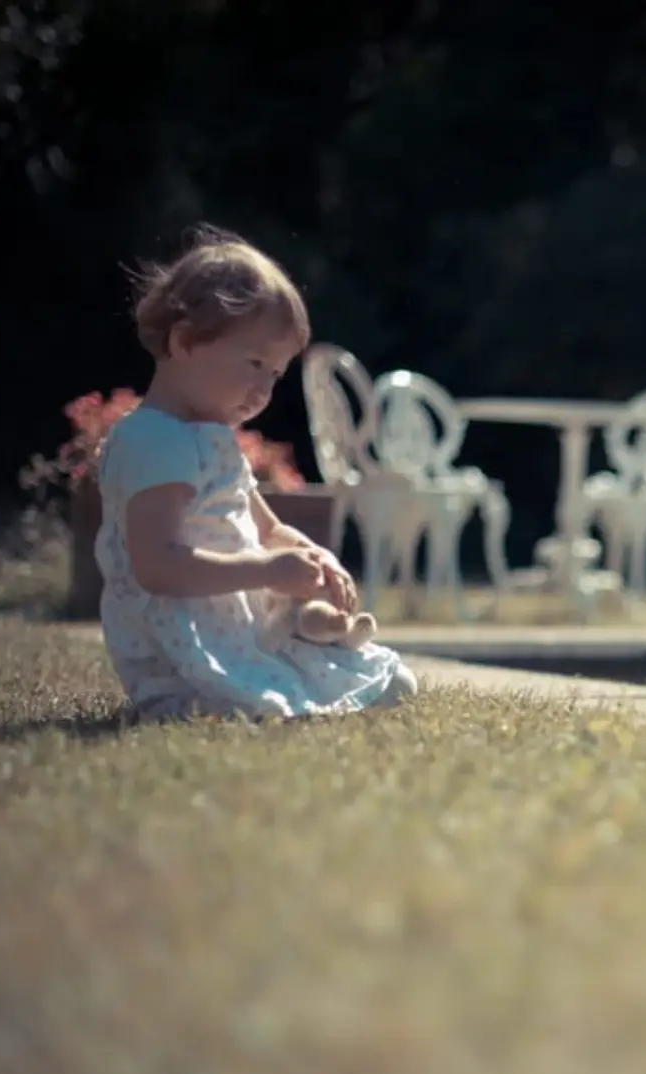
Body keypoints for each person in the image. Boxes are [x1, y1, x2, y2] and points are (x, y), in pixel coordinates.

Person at [93, 224, 419, 722]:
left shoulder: (212, 440)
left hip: (239, 630)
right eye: (254, 363)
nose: (264, 389)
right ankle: (179, 701)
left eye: (275, 374)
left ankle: (271, 677)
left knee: (393, 682)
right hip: (183, 647)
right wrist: (266, 571)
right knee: (265, 708)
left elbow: (267, 529)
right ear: (184, 341)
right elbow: (156, 565)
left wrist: (313, 556)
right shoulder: (154, 441)